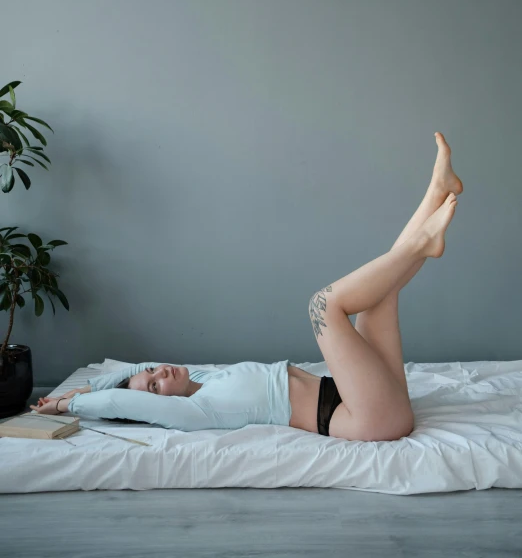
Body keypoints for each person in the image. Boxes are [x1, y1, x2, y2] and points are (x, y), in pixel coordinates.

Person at [31, 132, 462, 442]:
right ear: (158, 405)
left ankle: (435, 194)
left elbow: (126, 377)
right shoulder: (194, 413)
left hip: (373, 397)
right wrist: (72, 405)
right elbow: (121, 404)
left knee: (376, 298)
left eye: (151, 374)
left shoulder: (202, 381)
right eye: (155, 388)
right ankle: (426, 240)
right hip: (366, 417)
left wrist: (90, 386)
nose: (159, 375)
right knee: (322, 306)